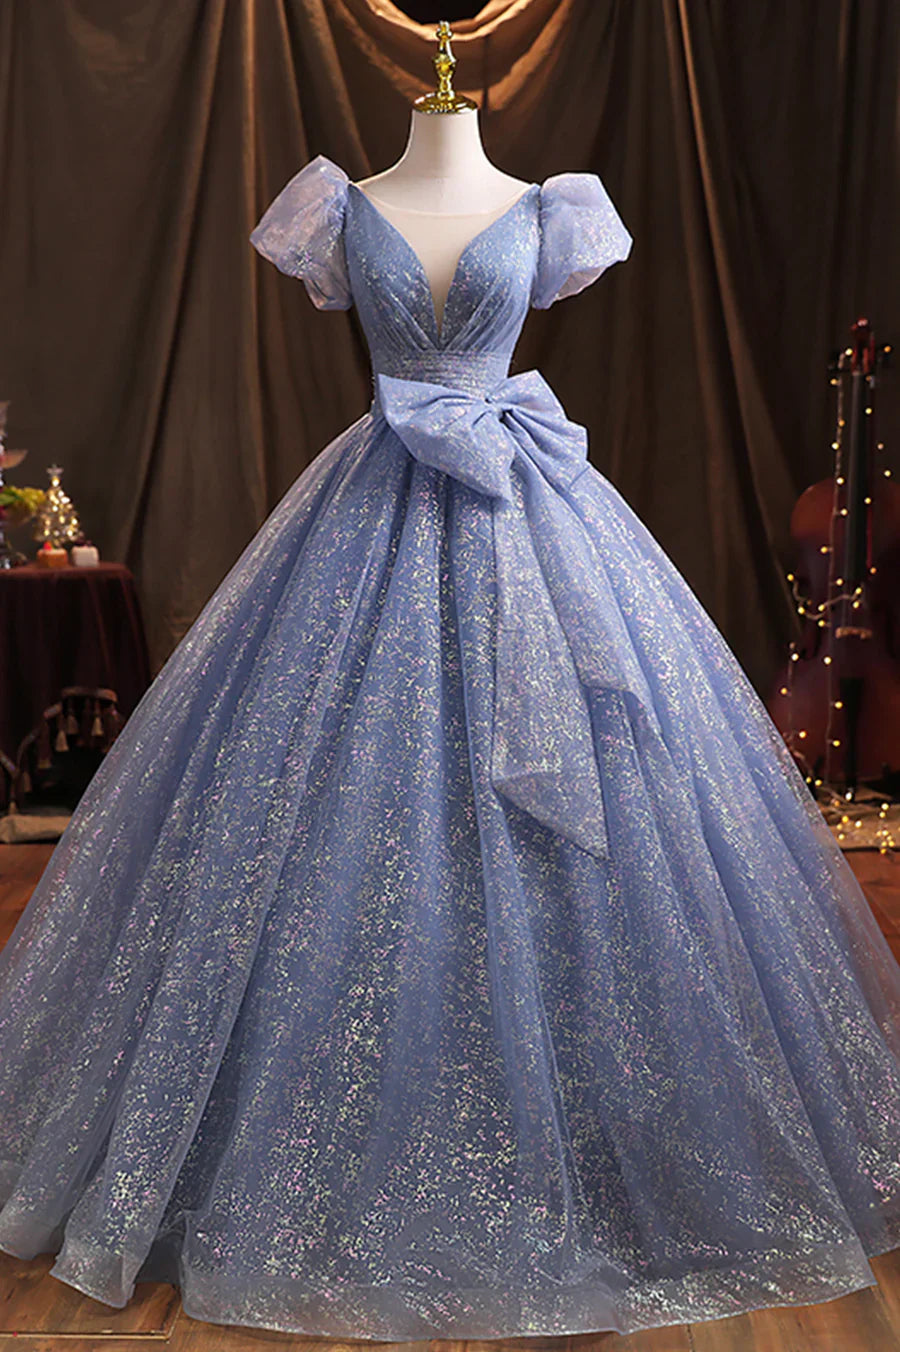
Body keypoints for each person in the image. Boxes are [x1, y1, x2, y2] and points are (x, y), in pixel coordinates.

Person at [0, 33, 898, 1342]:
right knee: (332, 807)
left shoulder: (553, 208)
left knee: (599, 797)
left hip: (526, 510)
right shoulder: (337, 203)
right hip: (371, 507)